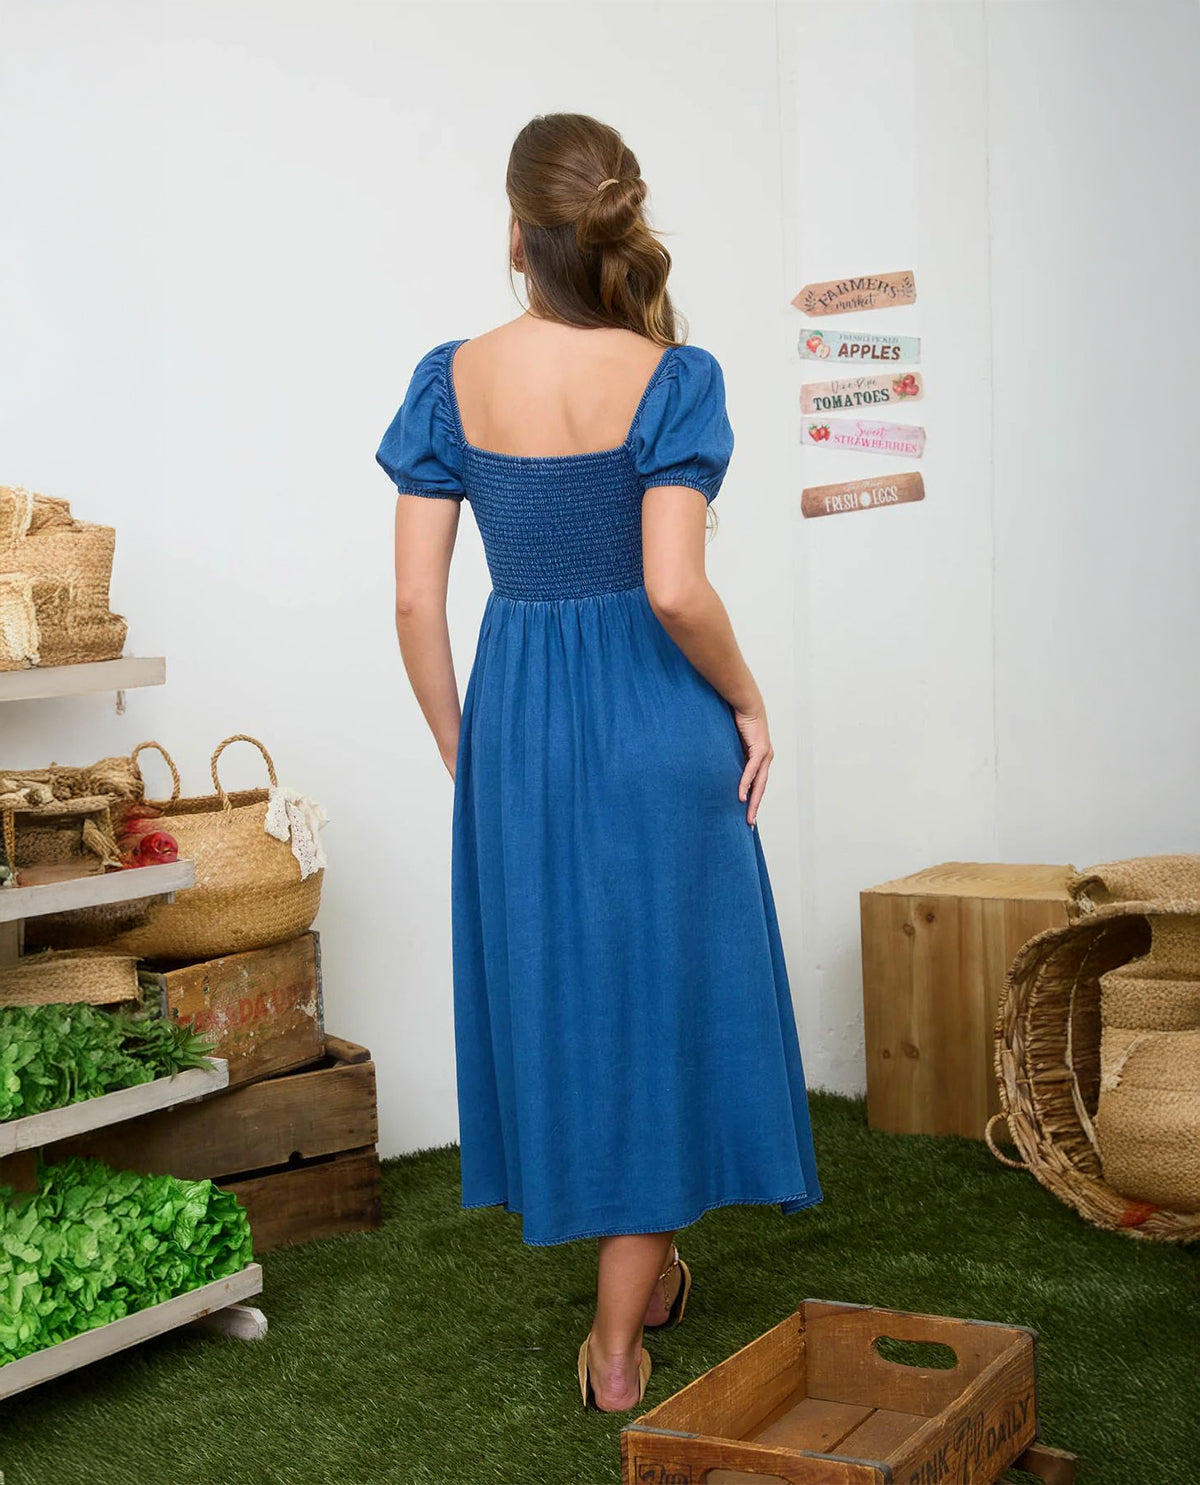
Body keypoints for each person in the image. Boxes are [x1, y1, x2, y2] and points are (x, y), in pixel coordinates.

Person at [377, 112, 822, 1415]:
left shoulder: (451, 379)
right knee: (662, 1004)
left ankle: (635, 1299)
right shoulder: (674, 377)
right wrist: (749, 703)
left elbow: (414, 602)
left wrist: (466, 745)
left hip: (521, 724)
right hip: (655, 717)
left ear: (518, 236)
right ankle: (619, 1349)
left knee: (577, 1001)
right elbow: (676, 588)